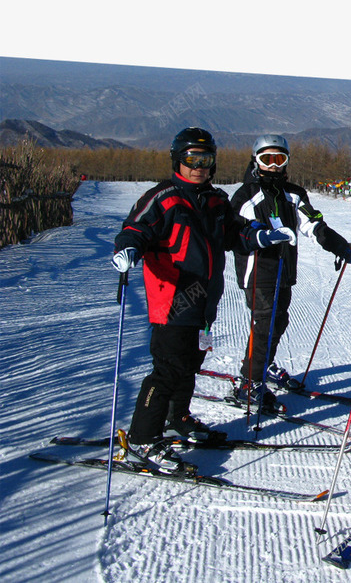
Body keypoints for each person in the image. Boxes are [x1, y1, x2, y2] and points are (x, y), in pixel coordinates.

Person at [112, 127, 293, 472]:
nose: (199, 167)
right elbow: (137, 228)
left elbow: (235, 232)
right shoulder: (162, 197)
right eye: (192, 159)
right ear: (178, 160)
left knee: (191, 363)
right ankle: (141, 439)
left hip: (205, 299)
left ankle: (176, 418)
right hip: (174, 298)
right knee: (168, 369)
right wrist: (129, 248)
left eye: (206, 159)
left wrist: (259, 236)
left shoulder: (215, 200)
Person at [230, 134, 351, 410]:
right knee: (263, 325)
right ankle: (249, 383)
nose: (274, 166)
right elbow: (234, 232)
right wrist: (259, 236)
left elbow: (313, 225)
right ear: (256, 161)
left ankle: (263, 363)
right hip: (258, 271)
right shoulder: (245, 195)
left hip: (284, 271)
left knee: (278, 323)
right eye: (267, 159)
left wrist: (338, 245)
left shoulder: (294, 193)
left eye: (280, 159)